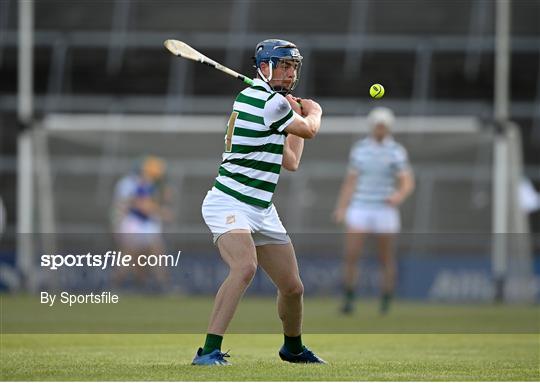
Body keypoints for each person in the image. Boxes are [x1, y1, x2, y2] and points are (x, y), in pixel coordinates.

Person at [192, 39, 325, 366]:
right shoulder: (267, 103)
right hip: (229, 201)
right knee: (244, 266)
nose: (289, 72)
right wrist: (314, 112)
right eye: (283, 65)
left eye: (293, 66)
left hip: (261, 209)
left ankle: (292, 348)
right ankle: (208, 351)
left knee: (293, 288)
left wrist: (295, 114)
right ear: (264, 67)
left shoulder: (270, 103)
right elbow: (309, 130)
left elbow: (291, 160)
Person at [333, 107, 414, 315]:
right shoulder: (360, 149)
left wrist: (398, 196)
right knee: (351, 254)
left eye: (383, 126)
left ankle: (385, 301)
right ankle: (349, 298)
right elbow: (350, 182)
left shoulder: (396, 151)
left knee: (386, 257)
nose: (380, 129)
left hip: (385, 210)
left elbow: (406, 182)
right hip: (360, 206)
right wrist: (342, 207)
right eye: (377, 126)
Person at [111, 156, 172, 290]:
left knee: (149, 254)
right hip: (132, 223)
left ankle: (149, 284)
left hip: (143, 224)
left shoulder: (150, 185)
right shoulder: (130, 183)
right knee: (131, 254)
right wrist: (160, 211)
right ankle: (116, 285)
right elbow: (136, 205)